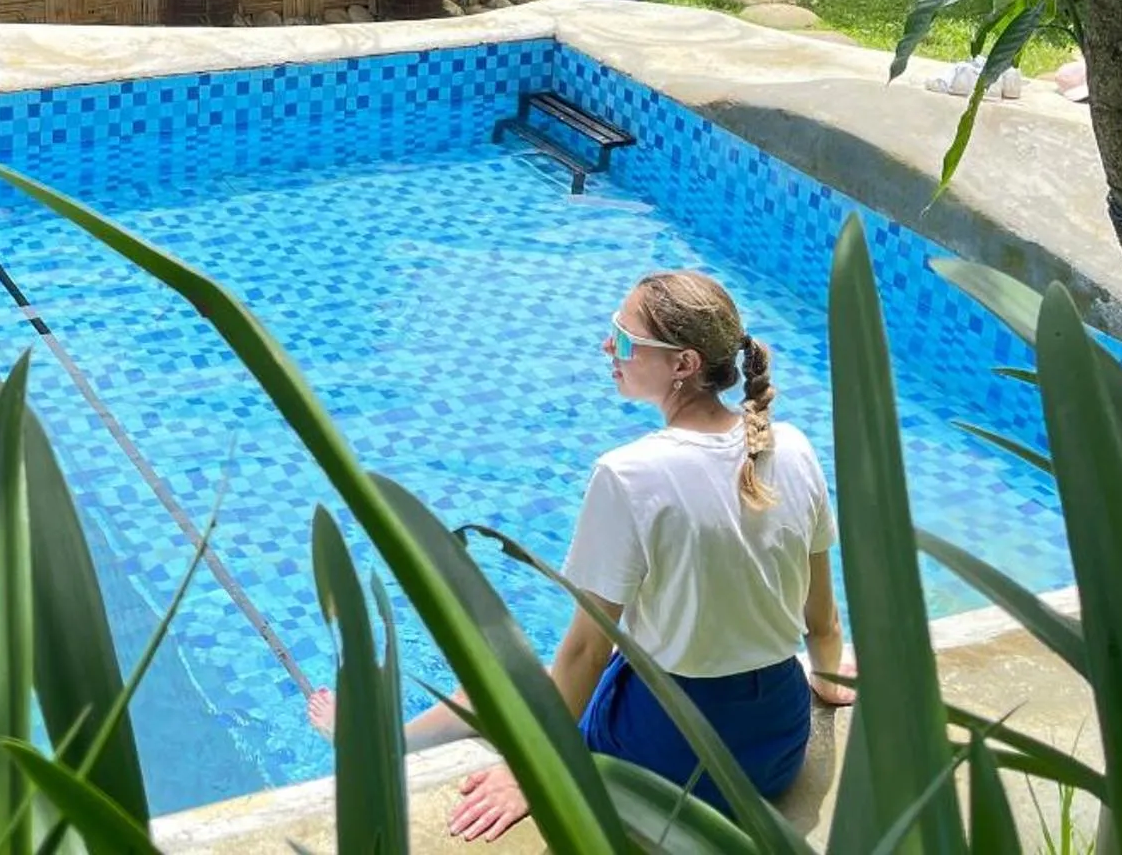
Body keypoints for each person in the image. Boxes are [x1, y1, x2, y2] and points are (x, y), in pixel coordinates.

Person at [308, 270, 850, 839]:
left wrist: (534, 772)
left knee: (495, 685)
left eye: (621, 338)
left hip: (674, 758)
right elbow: (823, 619)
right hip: (775, 744)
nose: (605, 347)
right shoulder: (791, 446)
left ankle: (375, 740)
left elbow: (587, 652)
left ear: (684, 364)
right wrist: (831, 683)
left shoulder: (629, 473)